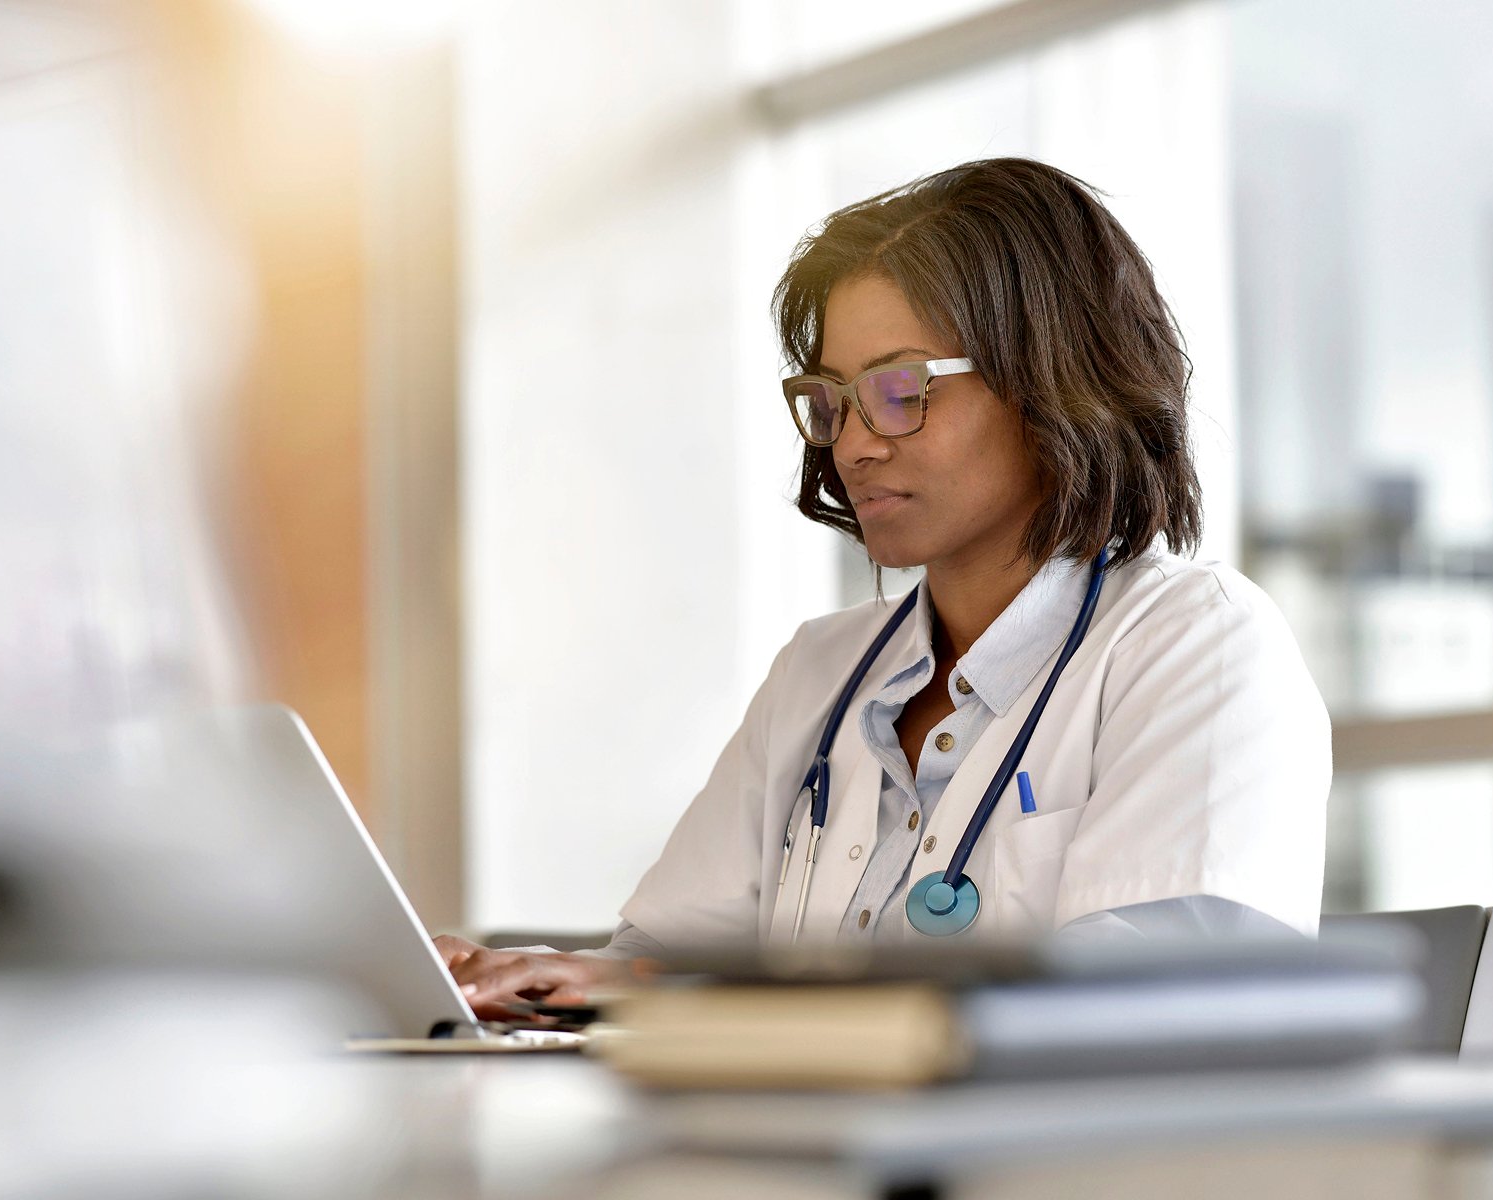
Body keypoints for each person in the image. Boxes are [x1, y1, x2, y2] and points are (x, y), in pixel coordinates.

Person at [437, 157, 1330, 1019]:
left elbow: (1141, 1011)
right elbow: (662, 958)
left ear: (1052, 379)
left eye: (902, 390)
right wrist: (548, 980)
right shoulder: (818, 673)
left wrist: (708, 1002)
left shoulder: (1195, 647)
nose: (852, 445)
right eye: (832, 399)